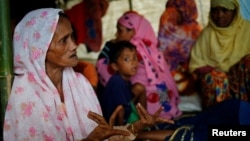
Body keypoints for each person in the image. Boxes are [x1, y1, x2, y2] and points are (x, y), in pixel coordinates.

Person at [3, 8, 174, 141]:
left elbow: (103, 136)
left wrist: (137, 127)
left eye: (72, 37)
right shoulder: (25, 95)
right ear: (38, 50)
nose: (74, 45)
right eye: (64, 41)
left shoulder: (80, 84)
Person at [96, 11, 182, 120]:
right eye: (118, 30)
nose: (117, 34)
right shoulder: (114, 46)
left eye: (120, 31)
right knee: (141, 91)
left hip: (154, 86)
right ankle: (140, 120)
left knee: (162, 96)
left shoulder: (148, 49)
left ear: (134, 31)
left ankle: (155, 117)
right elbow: (103, 68)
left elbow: (161, 73)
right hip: (130, 87)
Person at [189, 0, 250, 109]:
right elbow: (196, 64)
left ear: (234, 11)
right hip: (219, 80)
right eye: (215, 10)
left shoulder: (247, 30)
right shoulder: (207, 35)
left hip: (241, 79)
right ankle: (220, 117)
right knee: (215, 78)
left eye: (225, 10)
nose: (219, 15)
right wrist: (213, 68)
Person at [157, 0, 202, 96]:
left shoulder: (167, 15)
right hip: (184, 75)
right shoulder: (195, 30)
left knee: (160, 82)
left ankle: (166, 103)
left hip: (169, 73)